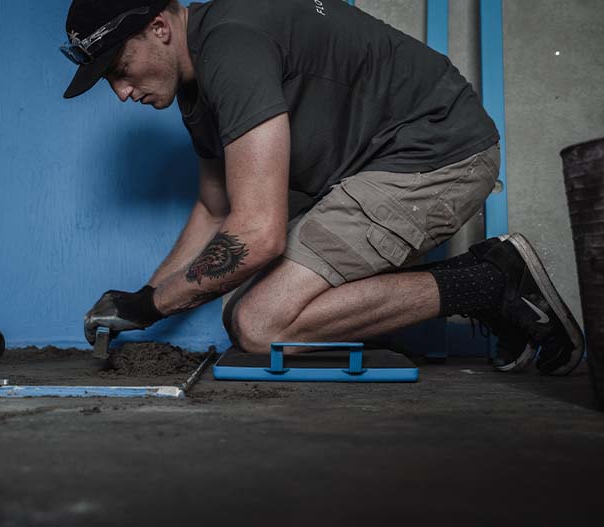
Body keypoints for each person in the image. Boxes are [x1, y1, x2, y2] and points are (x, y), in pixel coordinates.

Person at [62, 0, 583, 374]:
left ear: (159, 27)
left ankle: (492, 281)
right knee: (240, 305)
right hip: (381, 165)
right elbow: (214, 208)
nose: (121, 92)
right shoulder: (197, 85)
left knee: (261, 325)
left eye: (120, 68)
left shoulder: (231, 46)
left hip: (439, 153)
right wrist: (145, 296)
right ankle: (488, 280)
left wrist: (155, 306)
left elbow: (257, 233)